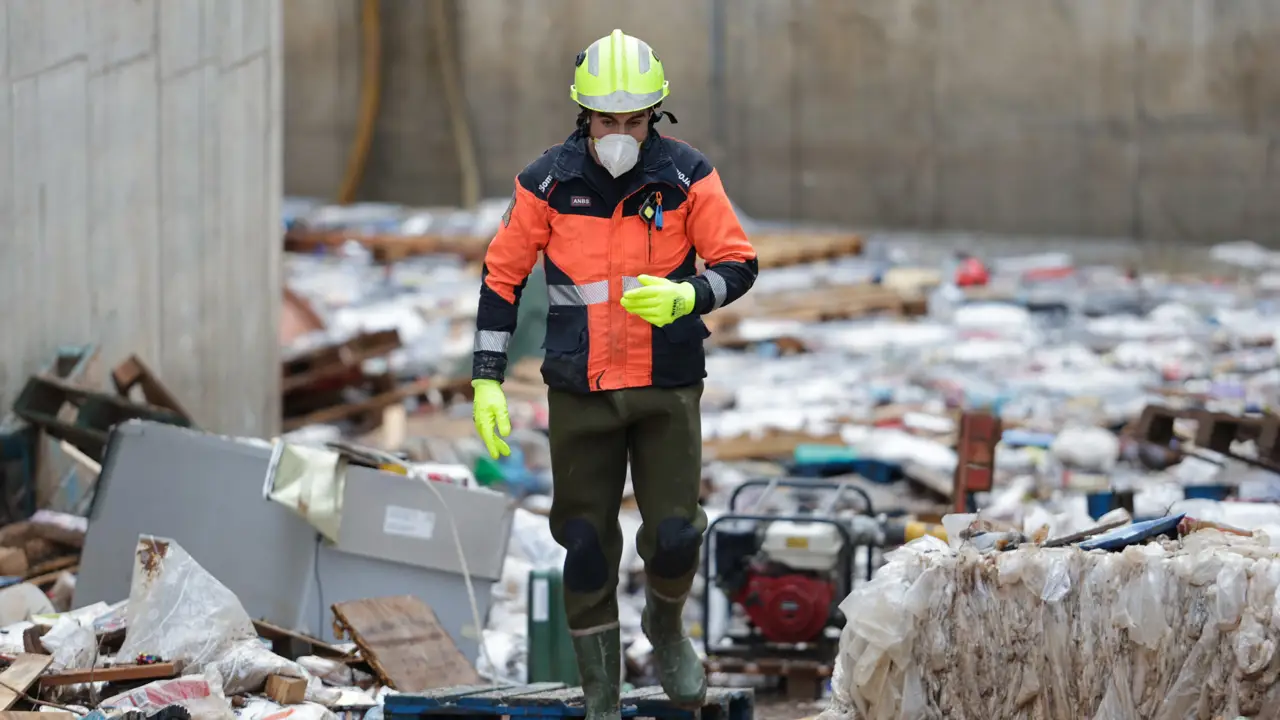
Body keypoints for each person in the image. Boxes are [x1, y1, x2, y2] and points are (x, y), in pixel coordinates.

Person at [469, 29, 758, 719]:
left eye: (635, 120)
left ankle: (665, 628)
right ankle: (602, 695)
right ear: (584, 116)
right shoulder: (546, 183)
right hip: (582, 390)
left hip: (666, 386)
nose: (621, 133)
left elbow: (738, 262)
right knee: (586, 544)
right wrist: (486, 378)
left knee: (676, 534)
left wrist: (691, 295)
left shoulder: (686, 177)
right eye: (608, 120)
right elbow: (501, 277)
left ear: (655, 114)